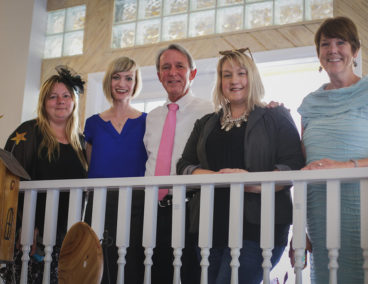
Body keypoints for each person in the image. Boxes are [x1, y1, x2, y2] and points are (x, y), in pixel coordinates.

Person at [176, 49, 304, 284]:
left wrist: (249, 183)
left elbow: (293, 167)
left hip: (259, 229)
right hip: (209, 227)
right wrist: (220, 178)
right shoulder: (205, 123)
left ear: (252, 77)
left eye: (241, 73)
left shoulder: (275, 116)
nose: (234, 81)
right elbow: (184, 166)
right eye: (226, 75)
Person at [297, 16, 368, 284]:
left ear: (355, 50)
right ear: (318, 53)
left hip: (367, 209)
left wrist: (346, 166)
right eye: (325, 44)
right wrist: (299, 228)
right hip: (319, 213)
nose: (332, 49)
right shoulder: (309, 104)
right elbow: (303, 165)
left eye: (340, 42)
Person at [2, 66, 87, 284]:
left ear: (74, 101)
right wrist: (24, 226)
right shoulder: (28, 133)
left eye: (66, 95)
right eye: (53, 96)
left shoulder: (82, 142)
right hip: (31, 235)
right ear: (43, 102)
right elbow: (9, 182)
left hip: (67, 235)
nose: (60, 101)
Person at [143, 44, 214, 284]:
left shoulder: (210, 111)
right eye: (166, 67)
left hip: (190, 210)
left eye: (179, 66)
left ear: (192, 73)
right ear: (159, 75)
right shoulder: (151, 117)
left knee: (191, 276)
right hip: (152, 210)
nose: (172, 72)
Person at [83, 56, 147, 284]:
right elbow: (91, 165)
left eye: (128, 78)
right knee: (101, 267)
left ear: (135, 82)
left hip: (137, 204)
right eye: (116, 77)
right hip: (100, 204)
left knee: (133, 266)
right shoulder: (92, 124)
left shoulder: (147, 121)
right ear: (108, 82)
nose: (122, 83)